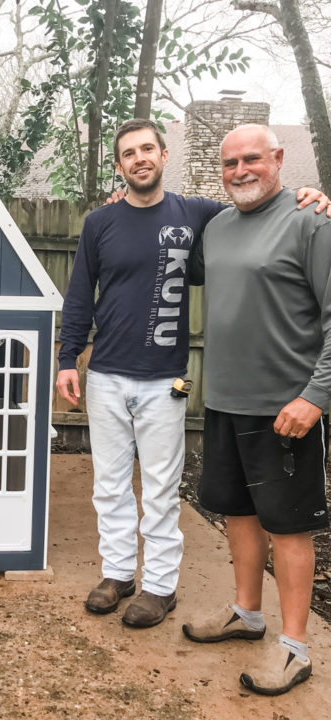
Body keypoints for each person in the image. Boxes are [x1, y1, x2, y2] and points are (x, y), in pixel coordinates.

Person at [56, 118, 329, 630]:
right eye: (128, 153)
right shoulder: (101, 222)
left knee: (160, 487)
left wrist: (308, 195)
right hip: (107, 376)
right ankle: (117, 574)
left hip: (165, 380)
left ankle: (160, 586)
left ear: (163, 155)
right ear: (120, 166)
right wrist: (67, 357)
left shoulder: (201, 213)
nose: (139, 158)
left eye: (147, 149)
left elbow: (261, 209)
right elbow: (79, 295)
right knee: (109, 485)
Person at [181, 124, 331, 696]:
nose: (241, 171)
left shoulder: (310, 222)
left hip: (287, 410)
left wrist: (314, 397)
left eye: (252, 160)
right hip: (223, 402)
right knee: (238, 514)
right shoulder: (217, 228)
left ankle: (293, 648)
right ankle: (247, 613)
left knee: (289, 527)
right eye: (230, 163)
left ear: (278, 159)